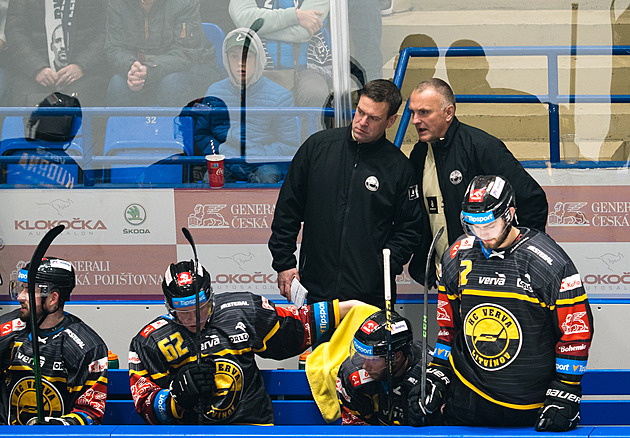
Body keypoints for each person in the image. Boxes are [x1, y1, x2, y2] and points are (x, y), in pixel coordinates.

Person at [407, 175, 593, 431]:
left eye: (490, 226)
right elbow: (448, 328)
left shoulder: (547, 262)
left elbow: (575, 332)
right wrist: (438, 373)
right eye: (473, 226)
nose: (483, 235)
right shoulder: (457, 254)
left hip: (529, 406)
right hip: (467, 399)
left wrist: (566, 388)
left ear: (510, 214)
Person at [129, 259, 362, 425]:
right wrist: (174, 398)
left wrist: (349, 308)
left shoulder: (242, 310)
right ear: (170, 308)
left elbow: (296, 327)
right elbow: (145, 406)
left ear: (210, 297)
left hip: (252, 427)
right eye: (183, 313)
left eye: (199, 309)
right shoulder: (149, 341)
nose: (193, 319)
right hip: (190, 433)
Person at [268, 79, 422, 309]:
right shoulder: (317, 148)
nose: (362, 122)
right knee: (320, 347)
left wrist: (383, 265)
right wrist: (284, 263)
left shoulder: (399, 168)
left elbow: (410, 229)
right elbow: (287, 210)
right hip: (315, 288)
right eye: (360, 111)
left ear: (390, 121)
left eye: (374, 118)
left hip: (369, 295)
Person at [406, 78, 548, 286]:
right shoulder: (418, 154)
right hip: (448, 277)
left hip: (491, 276)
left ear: (448, 113)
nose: (415, 120)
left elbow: (532, 201)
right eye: (412, 112)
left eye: (424, 112)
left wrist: (512, 258)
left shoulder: (481, 147)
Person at [0, 257, 109, 425]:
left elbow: (91, 412)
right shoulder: (5, 329)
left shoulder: (87, 347)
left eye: (28, 290)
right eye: (21, 288)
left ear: (52, 298)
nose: (20, 297)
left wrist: (56, 426)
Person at [194, 27, 299, 184]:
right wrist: (220, 153)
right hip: (225, 161)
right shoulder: (214, 92)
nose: (239, 63)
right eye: (234, 56)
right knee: (211, 181)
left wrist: (255, 155)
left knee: (267, 178)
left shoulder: (280, 96)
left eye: (247, 56)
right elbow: (203, 134)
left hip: (263, 164)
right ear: (226, 59)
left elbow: (288, 144)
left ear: (258, 59)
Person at [105, 0, 221, 107]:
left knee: (171, 83)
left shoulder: (185, 2)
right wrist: (131, 67)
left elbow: (187, 53)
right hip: (142, 70)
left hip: (191, 68)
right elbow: (113, 48)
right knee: (117, 84)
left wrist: (150, 69)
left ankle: (179, 128)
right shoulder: (118, 3)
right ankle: (123, 130)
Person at [229, 0, 332, 110]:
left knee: (315, 93)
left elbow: (303, 32)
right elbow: (244, 19)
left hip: (306, 69)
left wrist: (258, 29)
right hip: (257, 69)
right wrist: (295, 15)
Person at [336, 309, 433, 425]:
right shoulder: (352, 374)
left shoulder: (430, 377)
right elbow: (355, 428)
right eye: (362, 356)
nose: (364, 366)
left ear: (397, 357)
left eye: (373, 359)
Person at [4, 0, 109, 107]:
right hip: (32, 74)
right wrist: (37, 68)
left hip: (85, 73)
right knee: (24, 100)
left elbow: (105, 32)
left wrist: (81, 66)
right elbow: (15, 31)